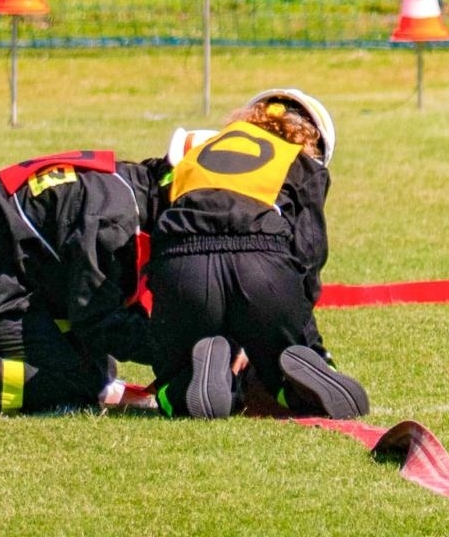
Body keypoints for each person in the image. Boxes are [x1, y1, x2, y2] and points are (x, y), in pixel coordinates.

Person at [146, 87, 369, 420]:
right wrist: (299, 325)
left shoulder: (198, 150)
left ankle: (190, 383)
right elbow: (308, 253)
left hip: (184, 259)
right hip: (262, 261)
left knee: (175, 373)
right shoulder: (300, 162)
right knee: (287, 357)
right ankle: (297, 381)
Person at [0, 148, 167, 417]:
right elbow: (97, 319)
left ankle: (98, 386)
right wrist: (171, 349)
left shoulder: (120, 186)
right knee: (77, 381)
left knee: (94, 368)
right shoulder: (117, 215)